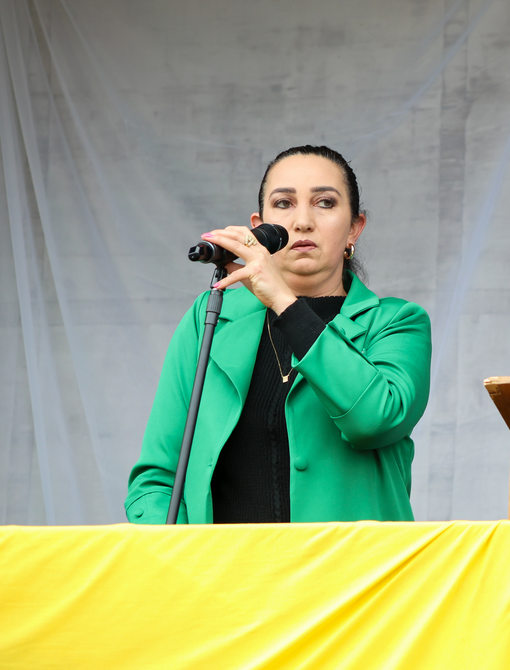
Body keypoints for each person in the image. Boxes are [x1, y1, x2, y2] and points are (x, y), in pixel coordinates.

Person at [126, 146, 431, 523]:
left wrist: (284, 302)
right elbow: (157, 480)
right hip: (222, 563)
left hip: (349, 563)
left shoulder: (397, 322)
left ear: (355, 227)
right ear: (260, 227)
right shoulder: (210, 318)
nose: (302, 221)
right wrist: (178, 552)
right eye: (284, 203)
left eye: (325, 202)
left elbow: (374, 421)